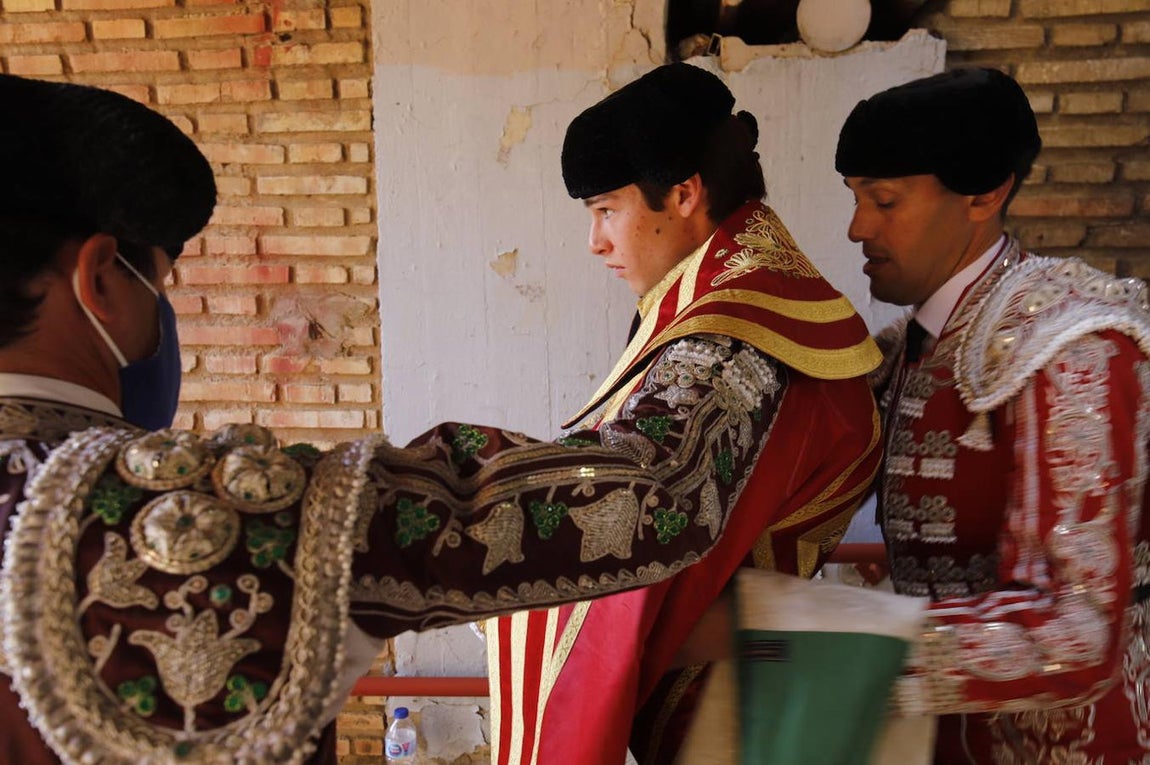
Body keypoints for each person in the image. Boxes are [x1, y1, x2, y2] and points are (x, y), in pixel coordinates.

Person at [0, 73, 802, 765]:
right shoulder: (221, 515)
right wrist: (752, 309)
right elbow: (655, 493)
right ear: (100, 278)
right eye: (161, 282)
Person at [485, 63, 884, 765]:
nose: (596, 241)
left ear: (685, 192)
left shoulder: (729, 340)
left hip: (738, 721)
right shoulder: (758, 296)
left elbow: (628, 508)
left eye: (607, 209)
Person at [837, 67, 1150, 762]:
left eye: (884, 200)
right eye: (856, 198)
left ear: (984, 194)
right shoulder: (905, 349)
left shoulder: (1072, 345)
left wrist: (831, 649)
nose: (858, 227)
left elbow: (1076, 627)